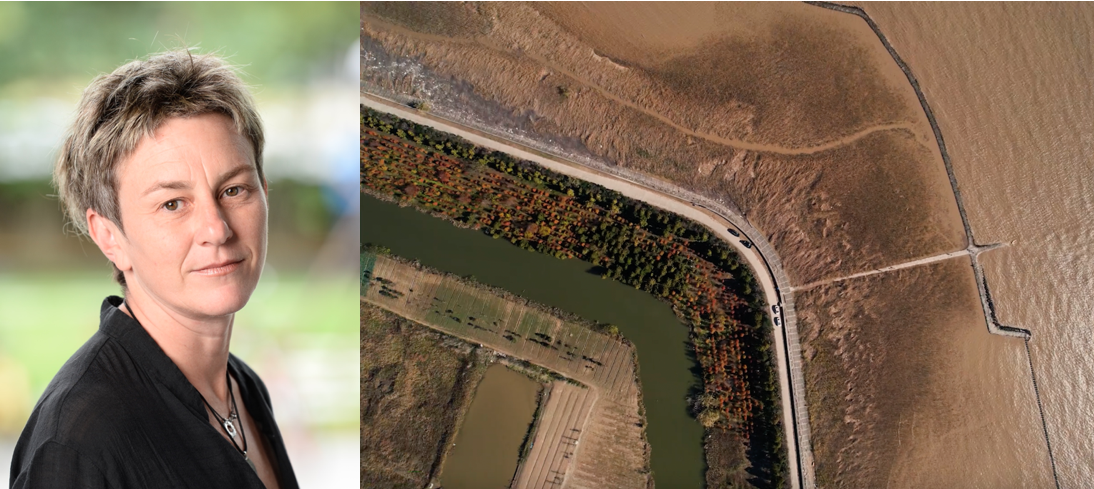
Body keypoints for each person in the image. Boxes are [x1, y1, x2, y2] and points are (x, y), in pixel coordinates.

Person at [9, 51, 297, 489]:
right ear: (109, 236)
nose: (216, 229)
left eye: (234, 189)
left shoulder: (243, 388)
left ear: (265, 193)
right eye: (172, 204)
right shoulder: (79, 439)